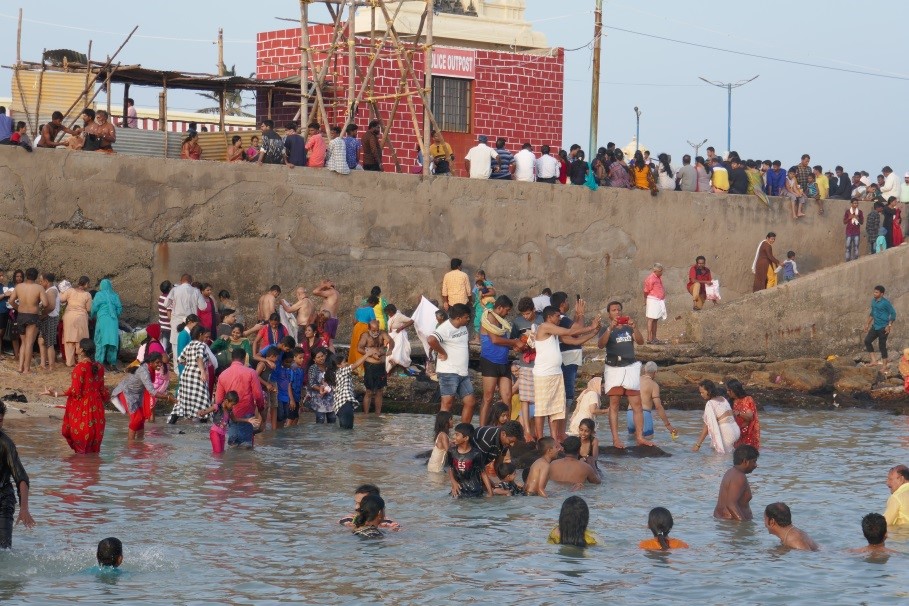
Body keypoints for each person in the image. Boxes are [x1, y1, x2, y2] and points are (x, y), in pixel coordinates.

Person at [533, 306, 599, 442]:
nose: (559, 318)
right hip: (543, 375)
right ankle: (540, 439)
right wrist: (591, 327)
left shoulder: (554, 334)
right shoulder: (545, 327)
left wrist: (593, 333)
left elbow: (575, 341)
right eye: (557, 316)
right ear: (549, 317)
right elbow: (569, 331)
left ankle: (554, 439)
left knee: (556, 409)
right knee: (541, 409)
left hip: (556, 374)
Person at [598, 301, 651, 448]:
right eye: (614, 310)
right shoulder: (605, 329)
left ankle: (640, 437)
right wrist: (610, 328)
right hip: (614, 368)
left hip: (630, 367)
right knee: (614, 404)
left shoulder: (628, 327)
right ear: (609, 314)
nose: (617, 312)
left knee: (637, 404)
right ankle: (616, 439)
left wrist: (635, 328)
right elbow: (601, 345)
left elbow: (640, 342)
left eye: (619, 310)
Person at [44, 339, 108, 453]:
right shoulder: (100, 367)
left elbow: (75, 391)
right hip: (97, 409)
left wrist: (55, 394)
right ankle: (92, 468)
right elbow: (103, 391)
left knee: (81, 447)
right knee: (93, 448)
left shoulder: (80, 368)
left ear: (82, 350)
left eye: (78, 346)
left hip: (83, 408)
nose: (76, 347)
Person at [109, 352, 173, 441]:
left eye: (160, 362)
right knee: (137, 419)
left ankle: (140, 442)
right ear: (151, 362)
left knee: (141, 419)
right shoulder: (144, 371)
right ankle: (130, 443)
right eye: (157, 362)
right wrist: (168, 398)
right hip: (126, 393)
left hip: (138, 394)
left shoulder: (150, 368)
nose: (160, 365)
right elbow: (152, 392)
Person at [428, 303, 475, 423]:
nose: (468, 319)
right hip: (448, 372)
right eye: (466, 317)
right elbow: (431, 340)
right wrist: (442, 352)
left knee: (470, 402)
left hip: (463, 372)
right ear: (458, 318)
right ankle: (441, 434)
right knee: (447, 403)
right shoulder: (445, 328)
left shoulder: (463, 327)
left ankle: (464, 433)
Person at [479, 296, 520, 425]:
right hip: (490, 362)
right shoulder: (489, 317)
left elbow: (504, 341)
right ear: (499, 308)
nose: (508, 313)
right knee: (488, 397)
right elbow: (495, 340)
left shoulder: (502, 322)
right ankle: (482, 429)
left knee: (507, 396)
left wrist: (517, 345)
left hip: (503, 362)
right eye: (507, 310)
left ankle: (506, 428)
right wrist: (514, 342)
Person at [215, 347, 265, 448]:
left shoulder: (222, 375)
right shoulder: (251, 372)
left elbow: (219, 401)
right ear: (243, 359)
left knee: (233, 446)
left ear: (231, 358)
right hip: (247, 414)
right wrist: (261, 410)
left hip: (230, 416)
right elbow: (258, 396)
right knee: (246, 448)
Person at [0, 400, 34, 549]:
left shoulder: (6, 444)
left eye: (0, 420)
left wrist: (24, 508)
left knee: (3, 550)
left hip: (3, 501)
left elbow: (21, 478)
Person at [170, 325, 214, 423]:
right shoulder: (201, 345)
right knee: (203, 399)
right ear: (200, 334)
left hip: (186, 374)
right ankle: (204, 427)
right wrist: (202, 371)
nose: (207, 339)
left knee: (182, 397)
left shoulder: (189, 345)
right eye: (205, 336)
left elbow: (180, 360)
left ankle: (172, 422)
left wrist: (190, 365)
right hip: (197, 375)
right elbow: (199, 357)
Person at [9, 267, 49, 374]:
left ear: (26, 275)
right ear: (36, 277)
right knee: (29, 344)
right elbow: (45, 304)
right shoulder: (39, 288)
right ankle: (27, 369)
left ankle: (20, 367)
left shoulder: (19, 286)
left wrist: (18, 308)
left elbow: (11, 300)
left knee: (23, 342)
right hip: (32, 316)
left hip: (21, 315)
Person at [447, 422, 493, 498]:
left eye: (457, 434)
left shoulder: (476, 454)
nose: (454, 437)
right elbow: (450, 467)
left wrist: (490, 493)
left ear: (466, 438)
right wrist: (453, 482)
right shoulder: (451, 451)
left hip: (475, 491)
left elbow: (483, 473)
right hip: (459, 489)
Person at [693, 380, 740, 454]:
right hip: (735, 430)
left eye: (702, 392)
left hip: (727, 433)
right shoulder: (723, 399)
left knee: (718, 460)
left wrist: (698, 445)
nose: (701, 395)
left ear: (709, 391)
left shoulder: (710, 403)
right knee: (727, 456)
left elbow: (707, 426)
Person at [714, 444, 759, 520]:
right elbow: (731, 504)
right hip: (732, 524)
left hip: (725, 523)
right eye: (754, 461)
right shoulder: (739, 477)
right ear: (745, 461)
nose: (755, 465)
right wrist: (742, 525)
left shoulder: (730, 472)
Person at [633, 362, 676, 441]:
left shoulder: (634, 380)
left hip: (630, 414)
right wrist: (668, 425)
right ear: (655, 373)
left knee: (632, 443)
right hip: (643, 414)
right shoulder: (653, 385)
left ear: (644, 370)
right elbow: (658, 406)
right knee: (647, 444)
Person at [356, 320, 391, 414]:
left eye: (377, 330)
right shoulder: (365, 336)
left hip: (381, 365)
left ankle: (378, 414)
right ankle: (366, 415)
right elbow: (359, 348)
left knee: (380, 391)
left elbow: (391, 341)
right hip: (370, 365)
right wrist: (371, 355)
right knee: (369, 391)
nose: (376, 333)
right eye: (373, 330)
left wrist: (390, 349)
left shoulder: (383, 333)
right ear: (369, 328)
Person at [59, 276, 93, 366]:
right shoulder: (87, 295)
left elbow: (61, 299)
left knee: (69, 340)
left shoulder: (70, 291)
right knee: (80, 340)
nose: (89, 286)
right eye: (88, 284)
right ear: (85, 284)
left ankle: (69, 363)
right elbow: (89, 309)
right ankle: (81, 361)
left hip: (68, 317)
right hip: (81, 318)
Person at [91, 278, 122, 371]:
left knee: (100, 341)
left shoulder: (99, 295)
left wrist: (92, 316)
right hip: (113, 321)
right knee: (113, 342)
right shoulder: (115, 296)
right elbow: (119, 309)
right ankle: (112, 363)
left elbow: (94, 308)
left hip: (102, 320)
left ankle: (99, 363)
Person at [864, 285, 896, 370]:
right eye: (874, 292)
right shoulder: (873, 301)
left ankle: (884, 366)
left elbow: (893, 314)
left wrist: (889, 326)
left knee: (882, 346)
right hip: (875, 326)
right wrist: (867, 324)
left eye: (876, 292)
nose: (874, 293)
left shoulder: (886, 303)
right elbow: (872, 313)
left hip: (883, 328)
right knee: (867, 341)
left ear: (882, 294)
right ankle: (874, 361)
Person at [726, 379, 760, 449]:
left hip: (748, 432)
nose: (727, 392)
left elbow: (750, 417)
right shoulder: (730, 401)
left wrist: (738, 413)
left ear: (735, 390)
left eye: (729, 390)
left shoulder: (747, 399)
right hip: (736, 433)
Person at [37, 272, 60, 371]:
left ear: (46, 281)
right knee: (41, 340)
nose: (40, 283)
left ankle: (51, 366)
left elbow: (51, 307)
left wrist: (42, 315)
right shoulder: (49, 290)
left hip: (50, 318)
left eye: (41, 281)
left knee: (49, 343)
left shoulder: (51, 291)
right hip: (47, 318)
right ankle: (43, 363)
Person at [643, 263, 666, 344]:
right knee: (651, 319)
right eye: (660, 271)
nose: (661, 272)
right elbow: (646, 290)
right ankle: (649, 338)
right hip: (652, 300)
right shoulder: (651, 278)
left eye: (661, 270)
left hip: (658, 300)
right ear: (655, 271)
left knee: (655, 319)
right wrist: (645, 299)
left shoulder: (658, 278)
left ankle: (654, 337)